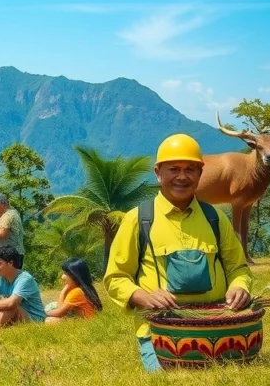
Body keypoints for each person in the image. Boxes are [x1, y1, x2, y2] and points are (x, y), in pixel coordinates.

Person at [103, 134, 252, 373]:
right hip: (160, 331)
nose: (182, 176)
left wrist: (239, 286)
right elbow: (115, 278)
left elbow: (238, 268)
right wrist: (142, 296)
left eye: (191, 169)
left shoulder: (215, 218)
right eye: (174, 169)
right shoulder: (138, 219)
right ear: (158, 172)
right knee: (170, 376)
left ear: (200, 174)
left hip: (217, 329)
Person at [44, 257, 103, 324]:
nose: (62, 277)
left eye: (65, 274)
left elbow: (59, 313)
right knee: (52, 306)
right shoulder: (84, 289)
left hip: (86, 323)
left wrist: (43, 312)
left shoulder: (76, 292)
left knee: (49, 320)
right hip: (87, 321)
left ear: (75, 276)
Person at [0, 193, 24, 278]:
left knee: (7, 284)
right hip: (8, 256)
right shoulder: (5, 215)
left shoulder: (8, 215)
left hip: (9, 257)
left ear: (0, 204)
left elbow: (2, 234)